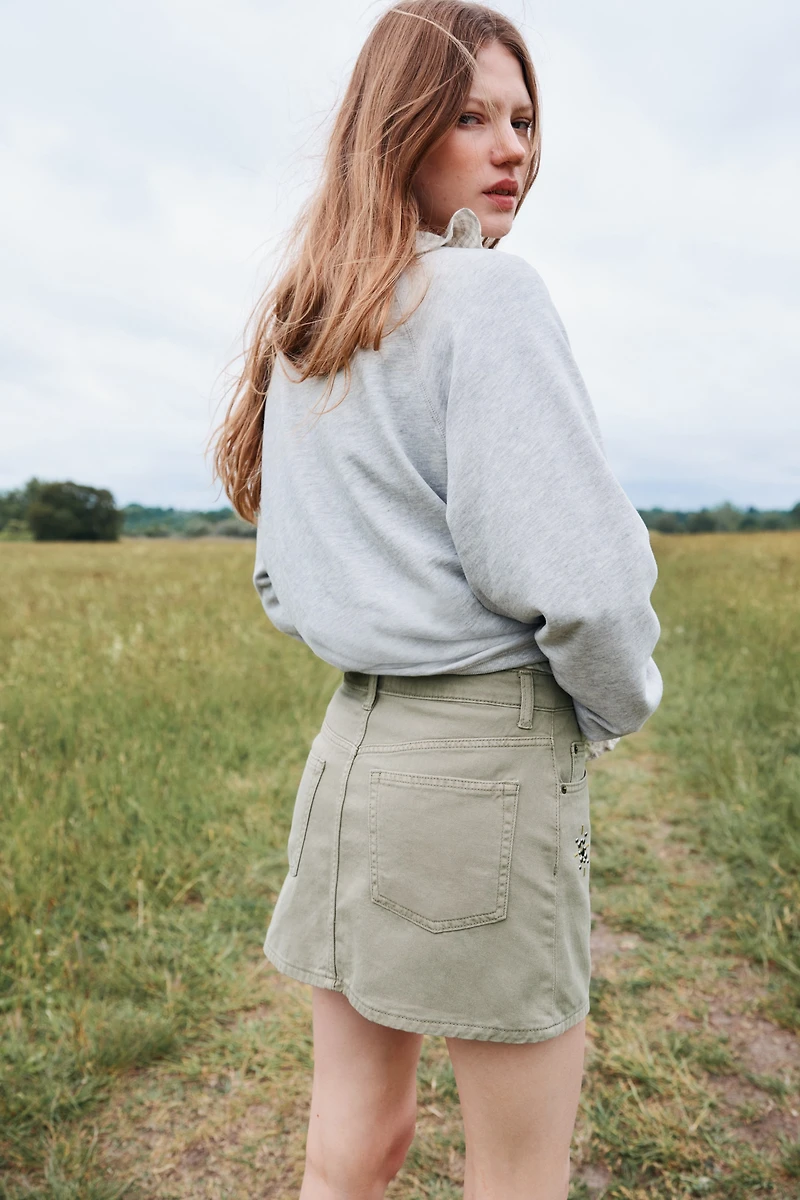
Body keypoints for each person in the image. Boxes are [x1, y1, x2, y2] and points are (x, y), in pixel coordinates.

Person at [209, 2, 662, 1196]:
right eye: (469, 117)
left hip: (348, 752)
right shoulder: (483, 299)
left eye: (521, 119)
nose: (510, 147)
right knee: (518, 1168)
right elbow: (586, 585)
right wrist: (611, 707)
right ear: (396, 128)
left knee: (349, 1144)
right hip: (480, 762)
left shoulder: (313, 317)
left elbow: (279, 574)